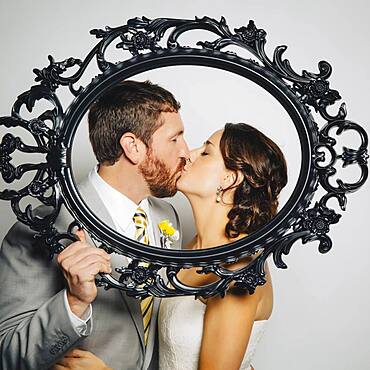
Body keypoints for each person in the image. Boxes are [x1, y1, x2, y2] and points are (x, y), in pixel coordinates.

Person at [57, 122, 288, 370]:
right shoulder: (190, 249)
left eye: (206, 152)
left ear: (229, 178)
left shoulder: (237, 273)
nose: (188, 155)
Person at [0, 80, 190, 370]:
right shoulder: (43, 226)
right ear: (133, 147)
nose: (186, 153)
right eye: (175, 139)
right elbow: (8, 354)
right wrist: (74, 303)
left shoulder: (168, 217)